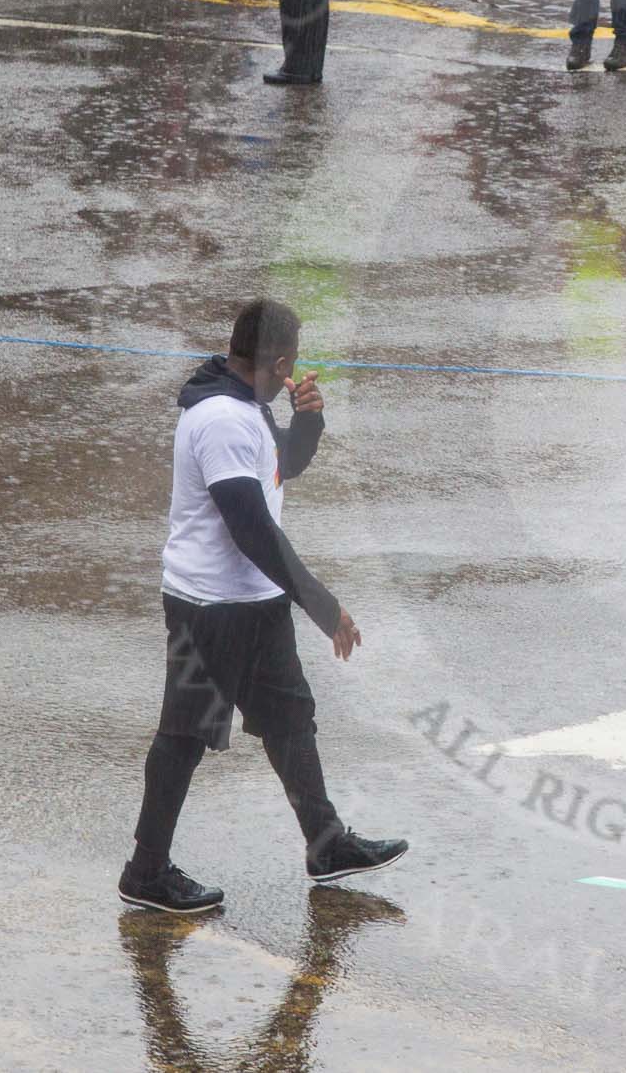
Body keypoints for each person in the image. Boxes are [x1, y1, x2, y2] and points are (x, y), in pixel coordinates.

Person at [118, 299, 408, 915]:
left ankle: (325, 845)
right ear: (278, 362)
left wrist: (308, 424)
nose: (293, 375)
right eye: (292, 367)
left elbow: (282, 466)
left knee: (289, 719)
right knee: (184, 737)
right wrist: (324, 605)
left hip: (256, 600)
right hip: (210, 607)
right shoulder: (222, 419)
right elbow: (250, 527)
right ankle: (145, 871)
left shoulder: (247, 405)